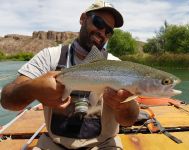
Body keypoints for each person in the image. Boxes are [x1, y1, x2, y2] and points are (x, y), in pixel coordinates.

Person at [0, 0, 139, 149]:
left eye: (109, 31)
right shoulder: (49, 57)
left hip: (103, 145)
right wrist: (33, 88)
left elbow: (128, 121)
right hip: (54, 145)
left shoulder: (117, 65)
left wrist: (123, 106)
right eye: (98, 22)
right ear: (83, 18)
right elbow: (7, 101)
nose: (102, 33)